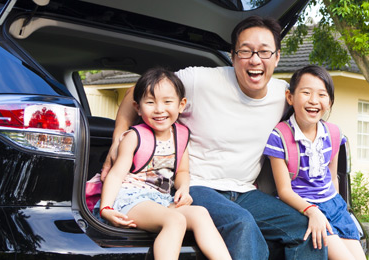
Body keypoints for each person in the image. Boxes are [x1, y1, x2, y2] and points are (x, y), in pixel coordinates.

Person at [103, 16, 326, 259]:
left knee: (306, 230)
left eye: (264, 52)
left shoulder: (284, 95)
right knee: (241, 224)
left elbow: (314, 117)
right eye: (246, 51)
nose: (255, 60)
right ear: (233, 55)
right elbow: (135, 92)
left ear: (277, 57)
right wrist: (117, 139)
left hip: (245, 191)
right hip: (198, 186)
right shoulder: (199, 80)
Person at [98, 68, 231, 260]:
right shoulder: (134, 137)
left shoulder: (181, 135)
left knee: (200, 213)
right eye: (150, 103)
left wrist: (184, 189)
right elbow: (116, 175)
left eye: (167, 102)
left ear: (181, 104)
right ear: (138, 107)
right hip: (131, 199)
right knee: (176, 220)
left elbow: (182, 170)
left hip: (160, 200)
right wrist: (106, 208)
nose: (159, 109)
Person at [264, 66, 366, 260]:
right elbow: (284, 191)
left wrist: (340, 207)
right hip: (303, 207)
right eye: (306, 92)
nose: (313, 100)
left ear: (329, 102)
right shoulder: (279, 137)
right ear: (290, 97)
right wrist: (312, 212)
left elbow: (333, 177)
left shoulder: (334, 134)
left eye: (322, 94)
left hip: (334, 207)